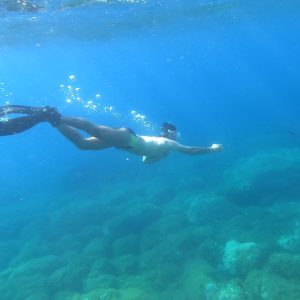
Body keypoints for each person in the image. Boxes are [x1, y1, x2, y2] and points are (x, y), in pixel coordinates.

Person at [1, 104, 223, 163]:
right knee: (93, 128)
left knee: (83, 144)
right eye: (174, 134)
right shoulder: (169, 143)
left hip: (126, 142)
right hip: (128, 139)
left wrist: (157, 156)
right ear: (172, 134)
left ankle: (52, 121)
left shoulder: (164, 146)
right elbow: (192, 151)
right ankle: (52, 114)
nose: (174, 136)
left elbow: (146, 160)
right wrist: (211, 150)